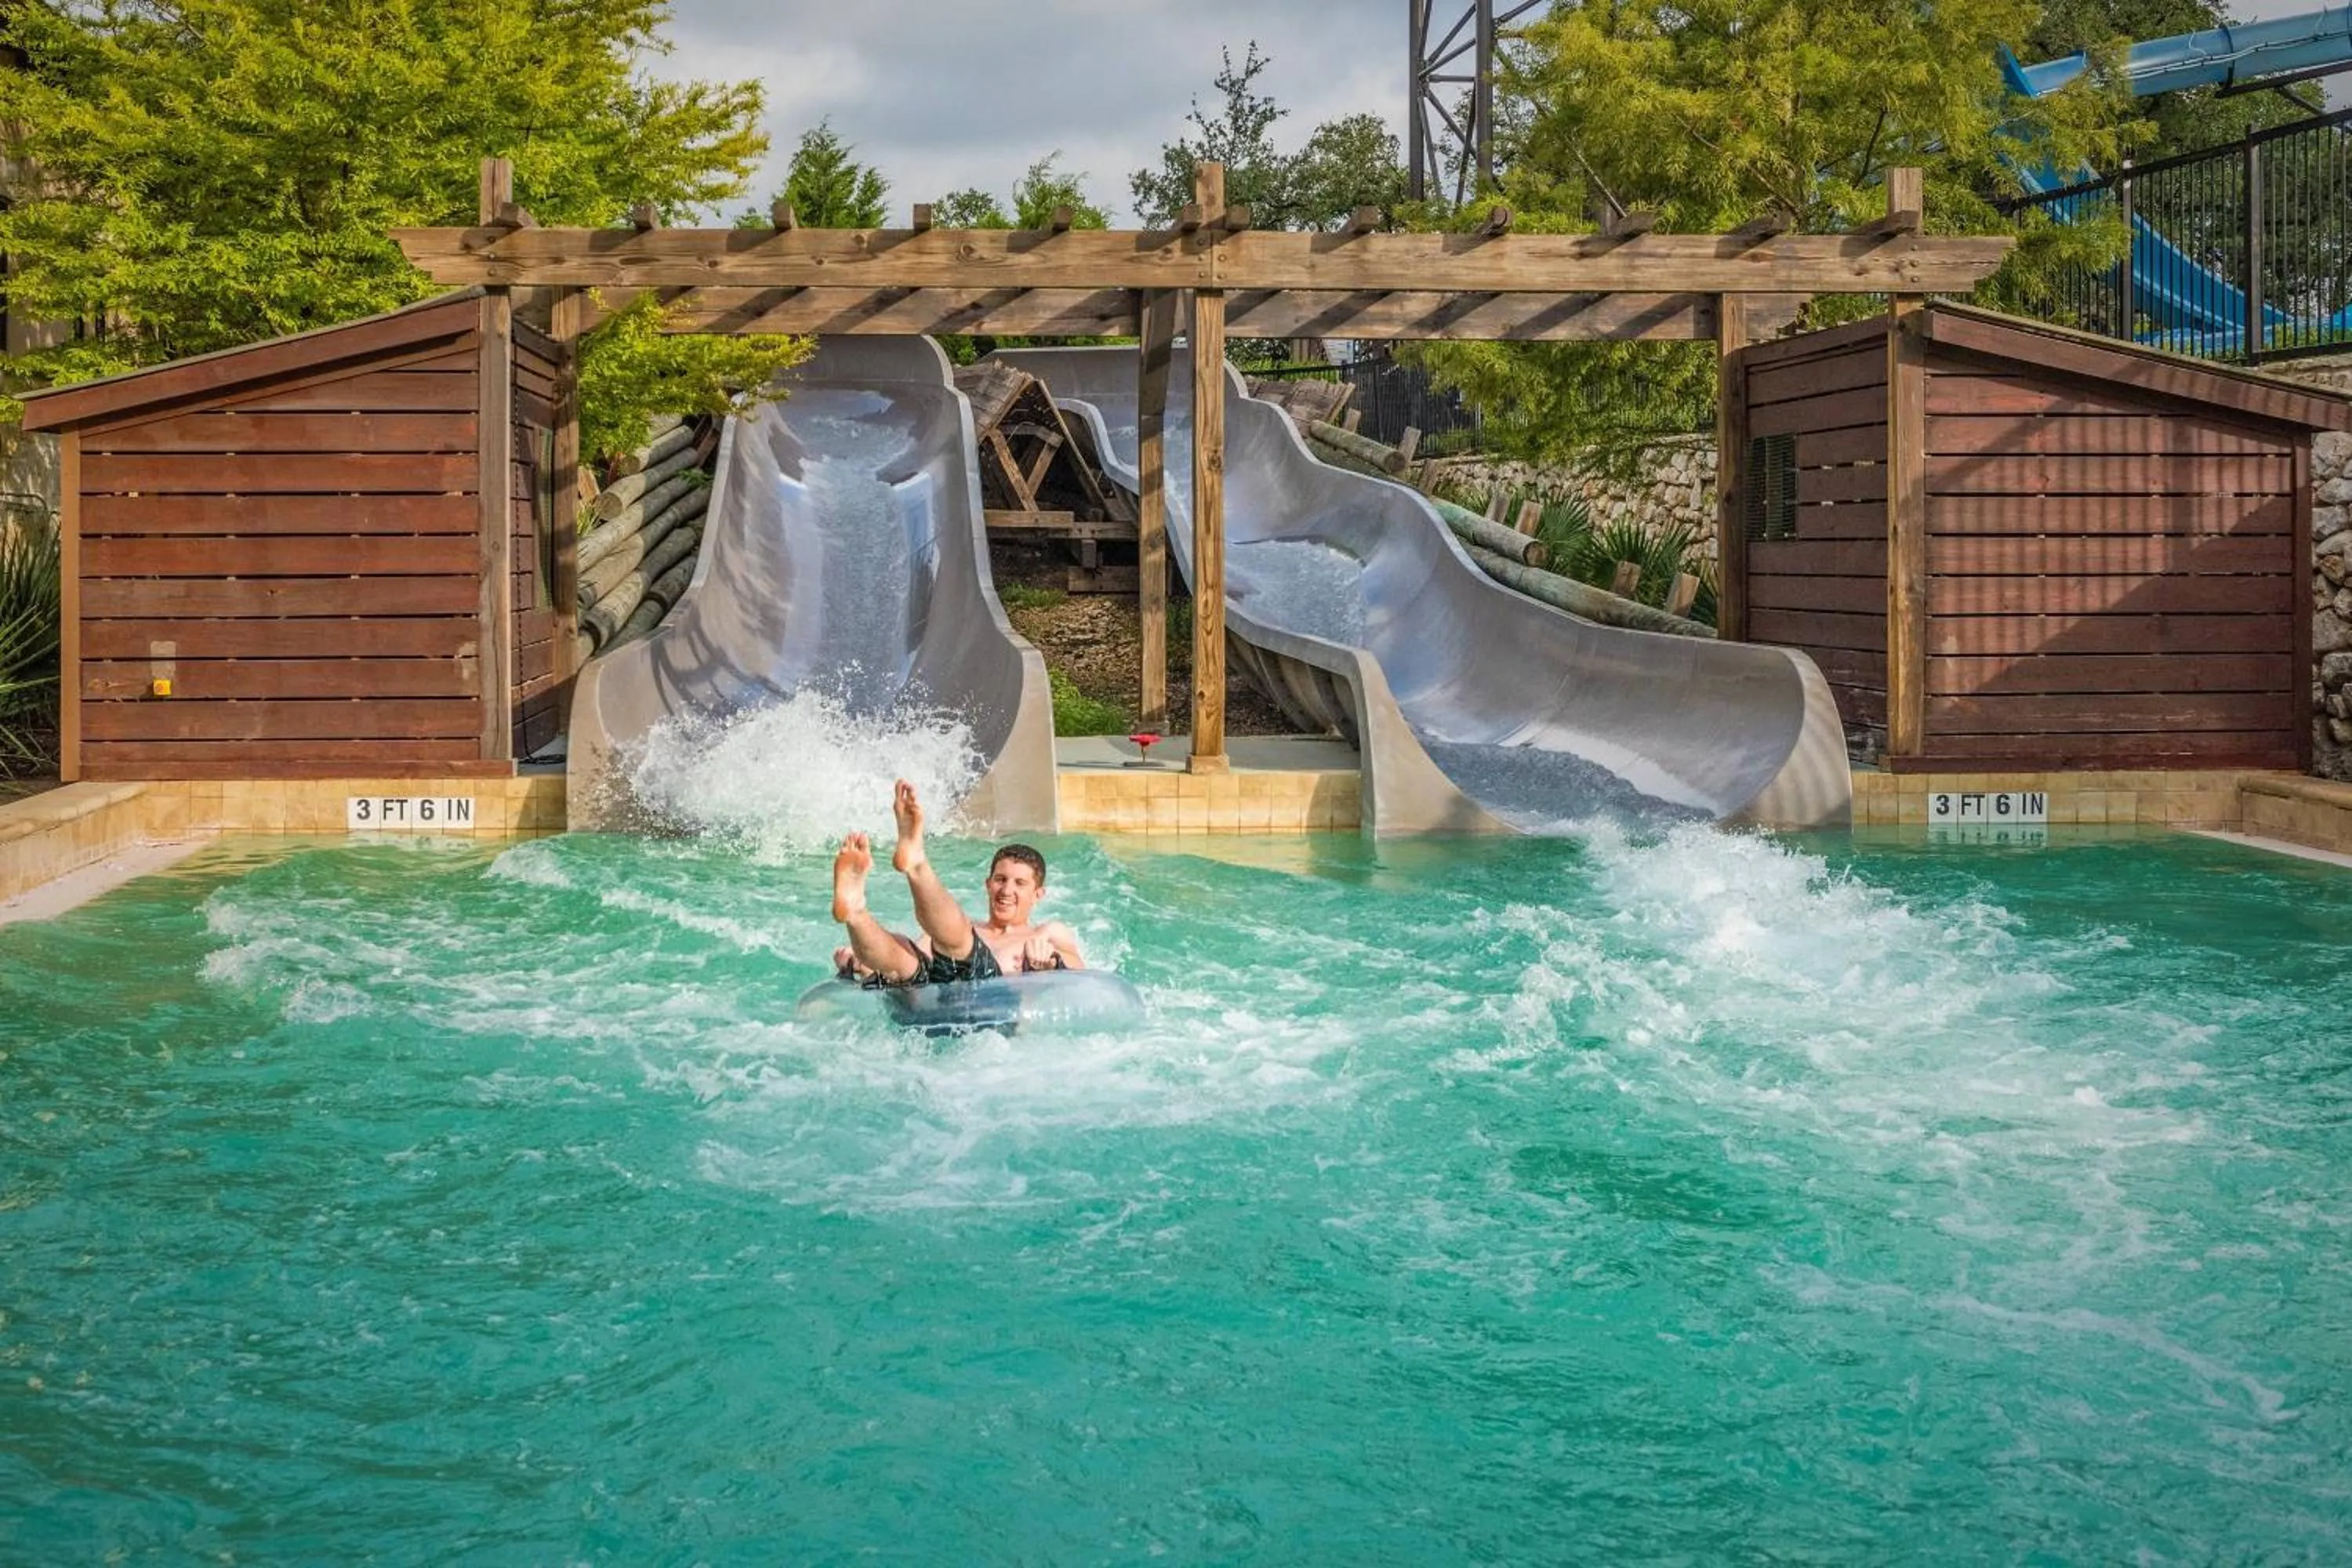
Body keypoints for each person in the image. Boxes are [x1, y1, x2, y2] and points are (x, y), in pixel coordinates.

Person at [831, 779, 1085, 985]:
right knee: (907, 961)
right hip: (932, 1004)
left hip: (996, 1007)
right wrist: (860, 962)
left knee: (962, 945)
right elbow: (912, 956)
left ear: (1038, 894)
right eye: (1000, 879)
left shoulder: (1046, 933)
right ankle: (856, 912)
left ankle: (916, 865)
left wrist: (1051, 960)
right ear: (988, 884)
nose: (1007, 890)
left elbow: (1080, 970)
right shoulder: (960, 927)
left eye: (1020, 883)